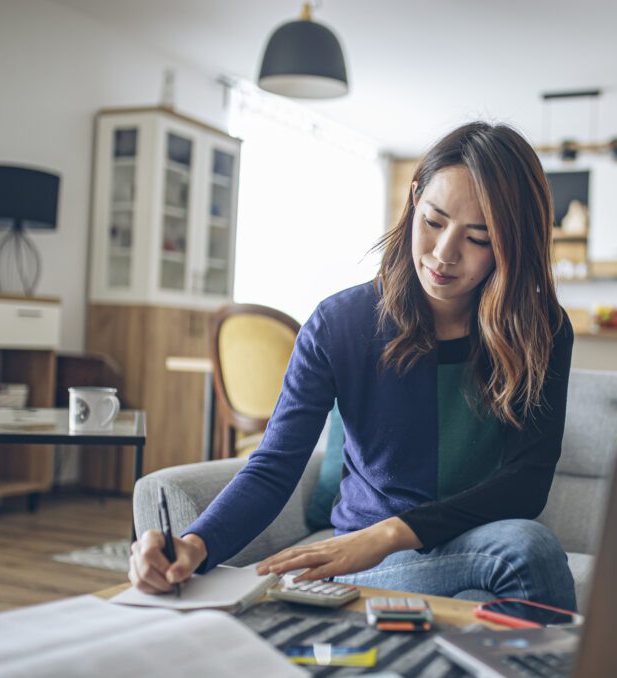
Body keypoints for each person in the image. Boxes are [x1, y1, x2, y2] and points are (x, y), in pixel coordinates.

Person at [129, 121, 577, 609]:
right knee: (524, 555)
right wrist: (193, 546)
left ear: (512, 244)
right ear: (413, 199)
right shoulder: (340, 323)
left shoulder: (540, 329)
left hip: (465, 541)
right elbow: (274, 467)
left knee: (521, 551)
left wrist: (388, 533)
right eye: (433, 221)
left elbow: (527, 483)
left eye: (479, 238)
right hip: (373, 561)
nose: (445, 254)